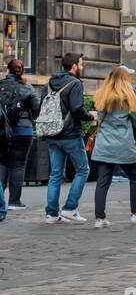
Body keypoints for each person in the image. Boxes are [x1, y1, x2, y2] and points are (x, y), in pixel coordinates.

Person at [90, 67, 136, 227]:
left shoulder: (101, 96)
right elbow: (135, 122)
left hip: (104, 144)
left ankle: (100, 219)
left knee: (103, 181)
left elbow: (99, 120)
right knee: (135, 177)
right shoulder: (128, 98)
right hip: (122, 145)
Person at [41, 53, 91, 224]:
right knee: (83, 170)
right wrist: (90, 116)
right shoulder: (75, 83)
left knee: (56, 174)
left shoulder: (48, 84)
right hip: (70, 135)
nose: (82, 68)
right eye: (81, 64)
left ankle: (52, 214)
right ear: (74, 66)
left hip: (51, 134)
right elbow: (77, 109)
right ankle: (70, 208)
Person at [0, 57, 41, 210]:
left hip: (3, 131)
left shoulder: (1, 85)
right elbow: (37, 111)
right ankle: (14, 202)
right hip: (23, 131)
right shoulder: (28, 88)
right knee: (18, 165)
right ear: (22, 71)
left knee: (2, 163)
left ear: (8, 70)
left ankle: (0, 201)